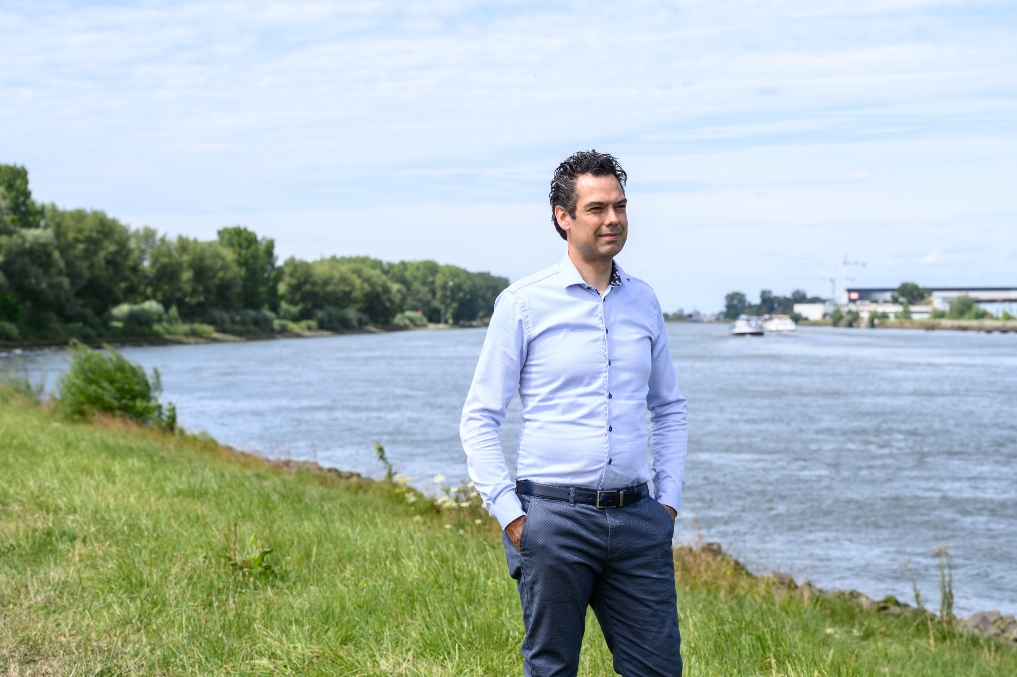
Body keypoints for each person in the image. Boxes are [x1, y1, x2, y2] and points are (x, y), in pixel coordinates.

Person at [460, 150, 688, 676]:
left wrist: (667, 505)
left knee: (658, 669)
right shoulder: (522, 303)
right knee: (553, 669)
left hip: (638, 521)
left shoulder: (645, 301)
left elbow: (669, 408)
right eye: (597, 208)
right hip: (553, 521)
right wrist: (513, 517)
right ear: (564, 217)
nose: (613, 219)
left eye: (621, 207)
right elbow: (479, 417)